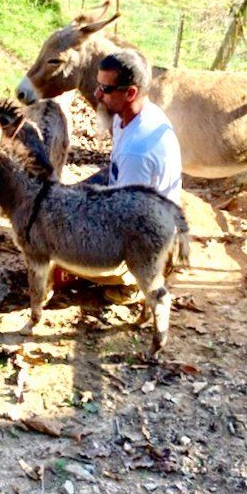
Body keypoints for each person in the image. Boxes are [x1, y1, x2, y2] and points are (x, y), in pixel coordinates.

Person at [56, 48, 183, 304]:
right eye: (97, 84)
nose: (96, 94)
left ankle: (133, 283)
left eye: (105, 88)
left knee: (56, 254)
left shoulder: (138, 152)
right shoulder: (130, 115)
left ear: (131, 93)